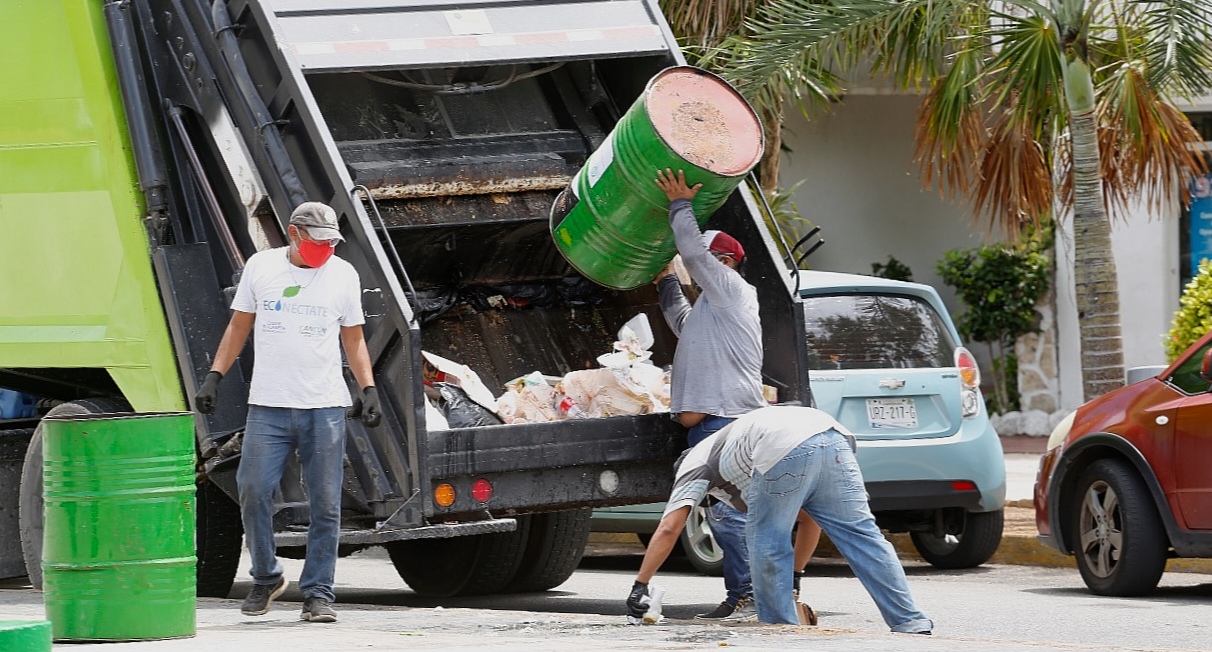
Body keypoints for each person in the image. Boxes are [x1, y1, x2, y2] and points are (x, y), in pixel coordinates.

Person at [194, 201, 381, 624]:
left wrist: (367, 388)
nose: (326, 250)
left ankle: (318, 594)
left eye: (332, 242)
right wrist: (214, 376)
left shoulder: (343, 275)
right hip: (269, 406)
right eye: (319, 242)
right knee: (253, 488)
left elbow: (353, 339)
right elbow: (239, 325)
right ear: (294, 234)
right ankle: (266, 575)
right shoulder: (262, 268)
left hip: (324, 407)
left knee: (326, 504)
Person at [653, 168, 820, 621]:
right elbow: (681, 322)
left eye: (703, 260)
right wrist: (667, 280)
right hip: (712, 426)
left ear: (723, 263)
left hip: (727, 423)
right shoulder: (713, 310)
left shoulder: (733, 290)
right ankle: (750, 594)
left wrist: (679, 204)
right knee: (727, 515)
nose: (694, 265)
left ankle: (751, 596)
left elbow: (693, 251)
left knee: (730, 517)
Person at [624, 406, 933, 633]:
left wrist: (641, 585)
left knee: (765, 542)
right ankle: (910, 621)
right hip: (833, 437)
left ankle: (780, 634)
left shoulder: (694, 464)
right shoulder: (735, 458)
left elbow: (669, 527)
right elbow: (809, 519)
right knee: (863, 536)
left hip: (784, 445)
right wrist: (795, 576)